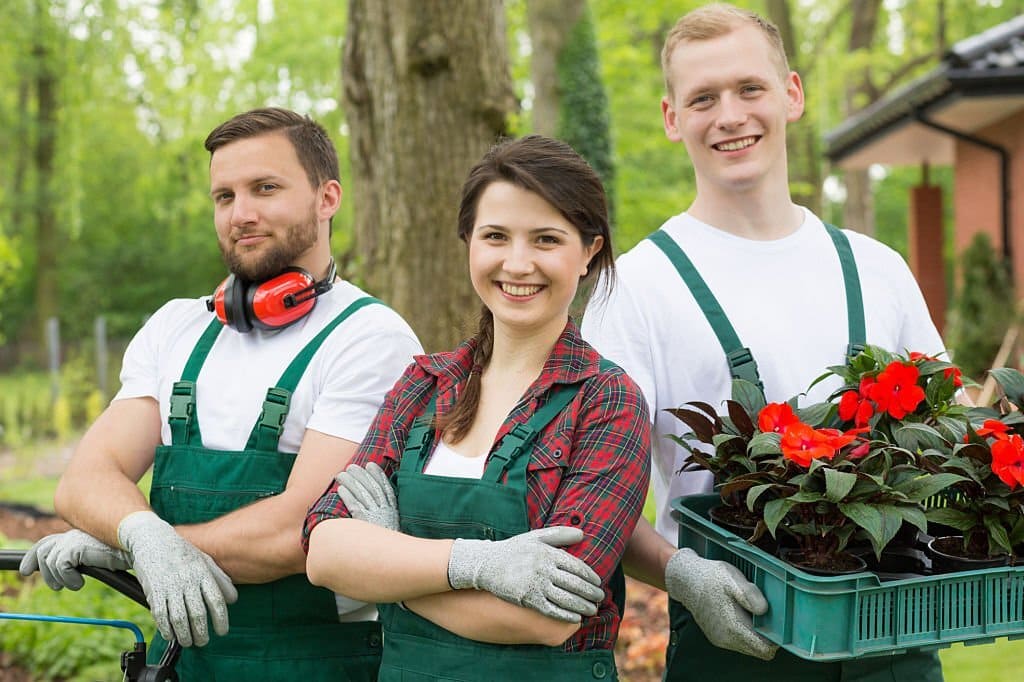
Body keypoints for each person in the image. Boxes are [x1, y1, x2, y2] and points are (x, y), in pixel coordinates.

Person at [580, 5, 946, 682]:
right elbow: (596, 501)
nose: (730, 115)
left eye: (750, 89)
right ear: (671, 118)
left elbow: (945, 449)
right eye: (703, 99)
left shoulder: (878, 269)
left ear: (792, 94)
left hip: (896, 634)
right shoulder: (633, 288)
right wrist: (685, 577)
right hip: (739, 642)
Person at [19, 107, 422, 681]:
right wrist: (142, 533)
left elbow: (303, 528)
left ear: (327, 197)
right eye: (224, 196)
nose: (242, 213)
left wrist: (133, 548)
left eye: (265, 188)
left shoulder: (369, 337)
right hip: (179, 662)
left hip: (312, 664)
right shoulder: (176, 327)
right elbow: (86, 478)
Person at [303, 134, 651, 681]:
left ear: (588, 252)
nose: (518, 263)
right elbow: (324, 552)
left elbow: (550, 617)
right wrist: (476, 565)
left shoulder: (607, 403)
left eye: (546, 239)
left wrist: (391, 566)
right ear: (469, 242)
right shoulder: (423, 386)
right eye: (495, 236)